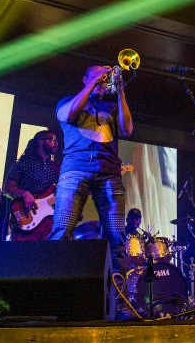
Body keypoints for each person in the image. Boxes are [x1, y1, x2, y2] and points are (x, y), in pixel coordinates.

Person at [48, 65, 133, 269]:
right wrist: (95, 81)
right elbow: (67, 116)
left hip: (110, 173)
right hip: (75, 170)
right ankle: (51, 284)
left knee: (117, 238)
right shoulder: (68, 101)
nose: (103, 80)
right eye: (97, 75)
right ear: (85, 78)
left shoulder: (112, 106)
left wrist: (120, 91)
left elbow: (127, 130)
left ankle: (117, 296)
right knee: (61, 230)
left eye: (105, 78)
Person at [5, 131, 60, 241]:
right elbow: (7, 188)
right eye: (52, 139)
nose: (56, 143)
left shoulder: (55, 167)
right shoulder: (22, 164)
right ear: (40, 141)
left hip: (48, 223)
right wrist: (25, 194)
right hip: (25, 219)